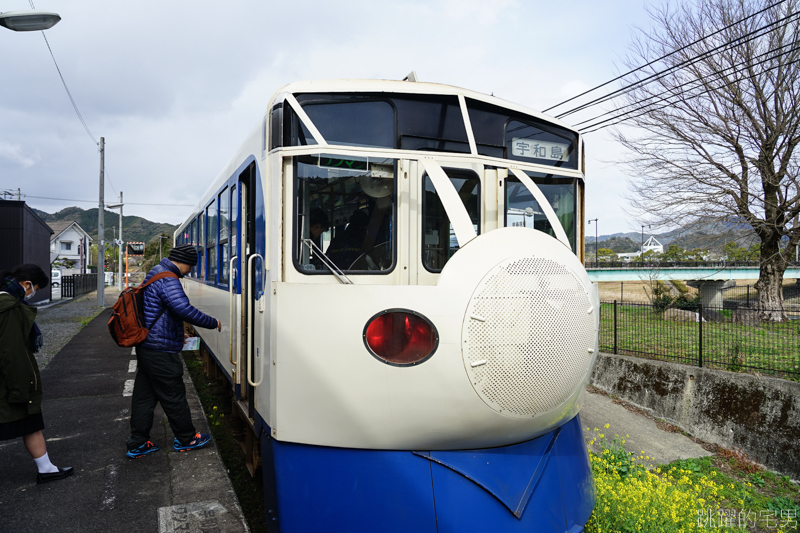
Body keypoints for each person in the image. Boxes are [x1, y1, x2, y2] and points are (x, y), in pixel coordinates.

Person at [126, 244, 221, 459]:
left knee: (144, 397)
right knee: (174, 395)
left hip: (148, 346)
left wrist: (179, 335)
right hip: (160, 350)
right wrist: (212, 322)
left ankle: (137, 443)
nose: (190, 271)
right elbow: (183, 309)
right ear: (182, 262)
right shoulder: (168, 279)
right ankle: (186, 438)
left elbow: (161, 312)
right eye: (190, 266)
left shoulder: (156, 272)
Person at [0, 264, 73, 484]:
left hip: (9, 378)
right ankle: (46, 469)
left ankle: (47, 468)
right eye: (35, 288)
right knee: (29, 420)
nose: (32, 294)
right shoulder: (9, 307)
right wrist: (23, 385)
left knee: (31, 422)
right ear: (27, 284)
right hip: (9, 380)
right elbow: (12, 351)